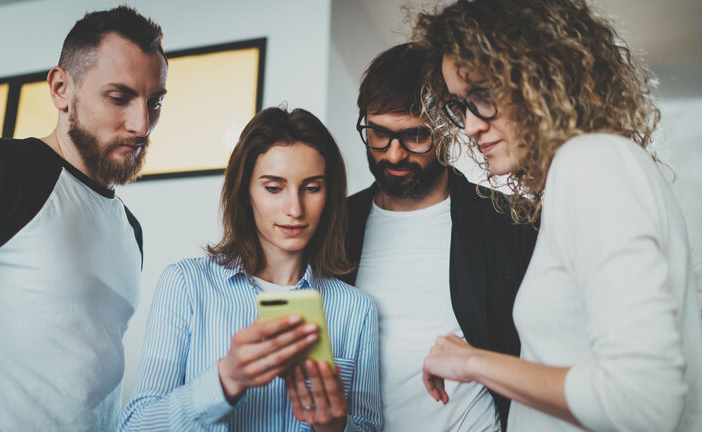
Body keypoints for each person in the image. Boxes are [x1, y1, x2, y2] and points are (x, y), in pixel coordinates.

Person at [415, 0, 702, 431]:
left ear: (543, 80)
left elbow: (644, 402)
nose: (471, 125)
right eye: (462, 104)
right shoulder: (585, 169)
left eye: (483, 96)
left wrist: (473, 362)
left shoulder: (592, 164)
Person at [0, 6, 167, 431]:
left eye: (154, 103)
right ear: (61, 88)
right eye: (119, 98)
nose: (142, 125)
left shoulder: (131, 231)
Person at [121, 106, 381, 431]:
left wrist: (336, 427)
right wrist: (224, 380)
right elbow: (136, 425)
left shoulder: (356, 309)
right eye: (274, 188)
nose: (294, 209)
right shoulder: (186, 284)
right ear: (246, 192)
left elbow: (369, 426)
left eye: (312, 188)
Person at [342, 42, 537, 431]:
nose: (394, 154)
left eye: (415, 136)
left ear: (448, 127)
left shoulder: (511, 223)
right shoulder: (336, 225)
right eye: (379, 134)